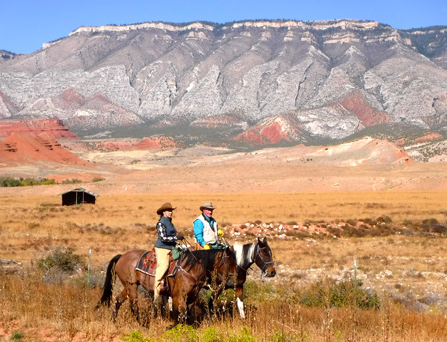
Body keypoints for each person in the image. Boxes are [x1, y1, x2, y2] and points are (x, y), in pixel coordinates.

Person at [153, 202, 184, 305]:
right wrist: (176, 238)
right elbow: (163, 238)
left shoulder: (169, 221)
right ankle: (156, 292)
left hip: (171, 247)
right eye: (169, 211)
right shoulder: (161, 222)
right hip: (162, 248)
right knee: (164, 265)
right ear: (163, 212)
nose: (171, 212)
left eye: (171, 211)